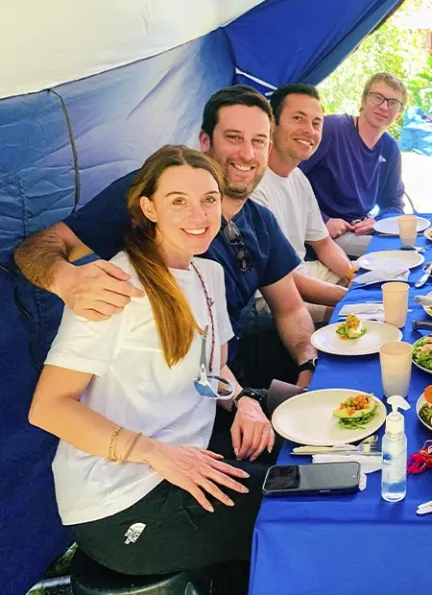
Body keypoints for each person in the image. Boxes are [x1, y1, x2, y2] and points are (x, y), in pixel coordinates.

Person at [28, 146, 276, 591]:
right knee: (288, 515)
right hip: (120, 500)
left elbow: (211, 370)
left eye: (209, 199)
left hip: (188, 454)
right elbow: (48, 408)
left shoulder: (208, 274)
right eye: (178, 200)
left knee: (301, 466)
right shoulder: (114, 285)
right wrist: (154, 452)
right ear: (149, 208)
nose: (198, 214)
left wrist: (244, 403)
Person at [13, 86, 319, 390]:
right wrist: (67, 281)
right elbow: (36, 248)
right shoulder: (151, 193)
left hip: (217, 379)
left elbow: (290, 308)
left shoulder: (258, 223)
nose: (247, 153)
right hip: (152, 397)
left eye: (258, 141)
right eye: (233, 137)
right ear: (205, 141)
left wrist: (307, 363)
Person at [249, 83, 354, 326]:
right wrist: (350, 297)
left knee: (382, 281)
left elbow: (324, 244)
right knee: (359, 314)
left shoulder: (298, 177)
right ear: (271, 123)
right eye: (298, 118)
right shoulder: (253, 184)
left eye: (316, 124)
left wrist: (352, 275)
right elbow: (279, 277)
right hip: (270, 294)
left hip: (305, 271)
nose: (309, 130)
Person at [301, 73, 407, 258]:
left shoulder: (390, 148)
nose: (384, 106)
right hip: (323, 234)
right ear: (363, 100)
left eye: (393, 103)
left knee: (415, 239)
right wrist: (322, 220)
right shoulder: (331, 129)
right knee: (399, 252)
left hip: (359, 229)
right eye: (377, 97)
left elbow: (393, 204)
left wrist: (378, 221)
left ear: (399, 114)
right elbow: (289, 176)